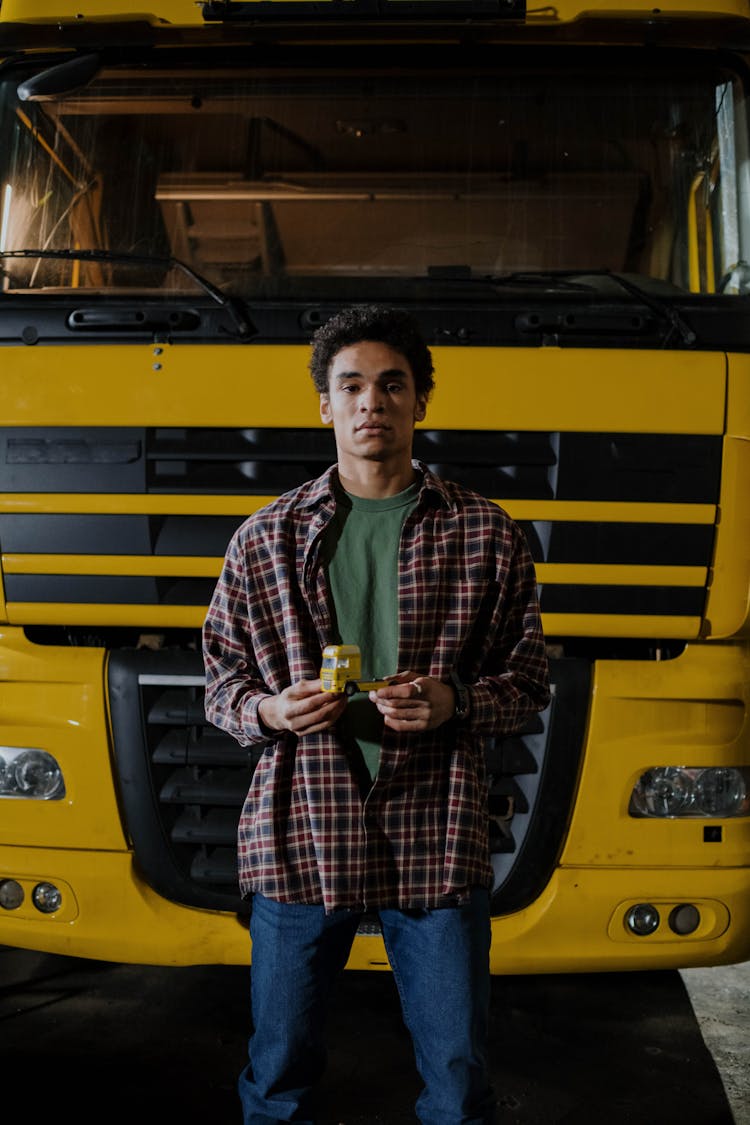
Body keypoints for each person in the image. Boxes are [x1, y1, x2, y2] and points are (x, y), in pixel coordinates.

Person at [202, 305, 550, 1125]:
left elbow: (530, 681)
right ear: (324, 405)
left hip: (435, 830)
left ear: (421, 401)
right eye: (350, 385)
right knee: (277, 1074)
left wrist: (455, 700)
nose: (371, 403)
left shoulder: (487, 535)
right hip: (301, 832)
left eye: (392, 385)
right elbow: (219, 683)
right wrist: (272, 708)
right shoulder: (265, 539)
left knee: (458, 1081)